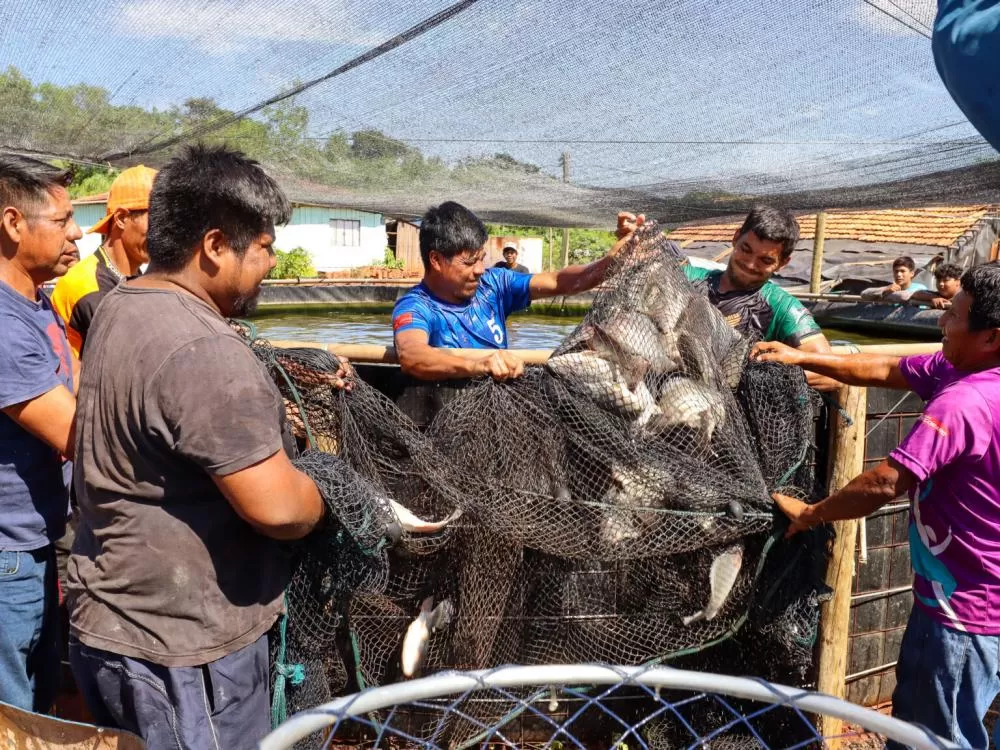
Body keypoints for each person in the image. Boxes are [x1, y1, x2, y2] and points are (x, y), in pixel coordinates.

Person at [66, 144, 332, 749]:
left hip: (111, 624)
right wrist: (327, 496)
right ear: (214, 245)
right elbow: (279, 509)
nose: (271, 261)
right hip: (183, 656)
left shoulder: (121, 305)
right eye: (263, 246)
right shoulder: (205, 347)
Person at [752, 262, 1000, 749]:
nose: (941, 322)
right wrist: (802, 360)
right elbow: (886, 367)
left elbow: (886, 482)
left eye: (953, 315)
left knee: (932, 738)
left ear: (991, 336)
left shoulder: (966, 402)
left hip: (964, 614)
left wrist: (812, 513)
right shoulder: (961, 368)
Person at [0, 155, 81, 712]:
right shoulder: (2, 322)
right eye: (62, 220)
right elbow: (77, 432)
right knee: (13, 709)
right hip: (8, 556)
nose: (76, 233)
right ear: (12, 224)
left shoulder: (40, 300)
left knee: (40, 693)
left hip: (39, 536)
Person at [392, 201, 634, 381]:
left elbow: (564, 281)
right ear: (435, 260)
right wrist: (478, 365)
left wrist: (614, 258)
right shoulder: (416, 306)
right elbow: (413, 355)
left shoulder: (494, 284)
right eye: (468, 262)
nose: (479, 270)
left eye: (482, 259)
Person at [51, 165, 156, 358]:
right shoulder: (89, 288)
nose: (163, 233)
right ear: (122, 218)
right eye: (156, 220)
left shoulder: (130, 276)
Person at [860, 256, 928, 301]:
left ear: (911, 273)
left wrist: (887, 295)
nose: (898, 274)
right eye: (896, 271)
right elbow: (864, 293)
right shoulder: (890, 288)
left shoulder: (920, 289)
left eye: (902, 271)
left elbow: (904, 296)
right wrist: (885, 290)